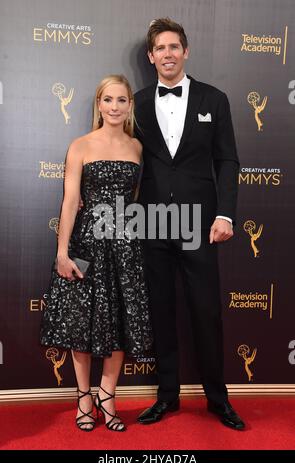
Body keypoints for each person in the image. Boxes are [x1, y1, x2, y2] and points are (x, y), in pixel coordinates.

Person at [134, 18, 245, 430]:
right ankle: (167, 397)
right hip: (153, 223)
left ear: (186, 51)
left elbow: (228, 160)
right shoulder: (138, 102)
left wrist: (225, 213)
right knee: (161, 311)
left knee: (206, 312)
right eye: (160, 48)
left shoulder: (215, 99)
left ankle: (218, 400)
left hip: (201, 224)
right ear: (151, 56)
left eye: (174, 46)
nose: (167, 54)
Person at [40, 75, 153, 432]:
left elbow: (134, 200)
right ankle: (84, 397)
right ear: (99, 104)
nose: (115, 107)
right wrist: (62, 252)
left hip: (125, 245)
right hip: (87, 243)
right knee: (82, 322)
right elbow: (71, 202)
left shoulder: (137, 148)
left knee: (120, 317)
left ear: (130, 105)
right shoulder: (81, 146)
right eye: (108, 100)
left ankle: (108, 394)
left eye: (122, 100)